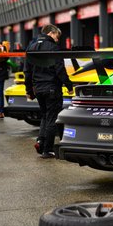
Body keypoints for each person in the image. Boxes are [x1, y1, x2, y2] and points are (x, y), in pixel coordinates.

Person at [24, 24, 73, 159]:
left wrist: (29, 89)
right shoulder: (53, 48)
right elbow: (60, 69)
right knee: (52, 118)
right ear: (51, 33)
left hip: (38, 88)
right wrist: (69, 86)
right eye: (57, 36)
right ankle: (48, 150)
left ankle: (40, 141)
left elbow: (27, 71)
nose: (58, 39)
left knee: (45, 116)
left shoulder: (31, 47)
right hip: (52, 88)